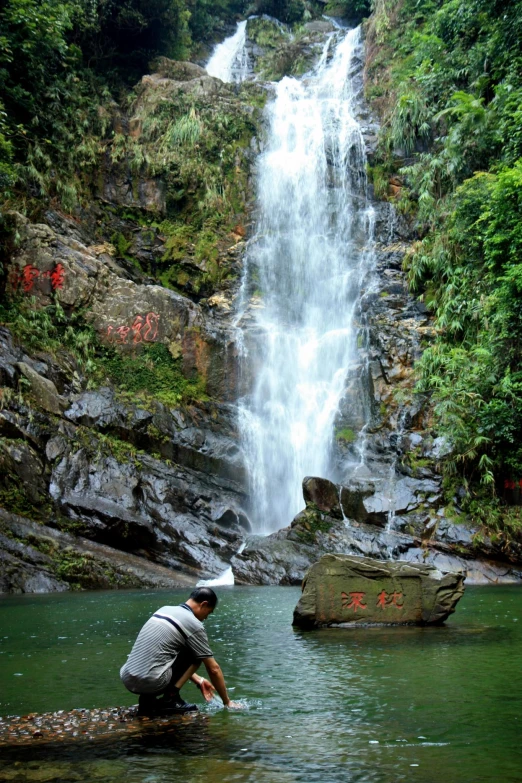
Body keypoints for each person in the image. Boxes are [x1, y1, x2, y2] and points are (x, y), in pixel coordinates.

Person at [120, 586, 241, 714]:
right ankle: (170, 699)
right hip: (151, 682)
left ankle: (147, 700)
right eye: (208, 612)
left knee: (171, 650)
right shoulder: (194, 624)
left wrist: (199, 680)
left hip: (128, 678)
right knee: (197, 653)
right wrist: (227, 702)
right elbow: (214, 669)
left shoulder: (164, 609)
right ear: (203, 604)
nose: (206, 618)